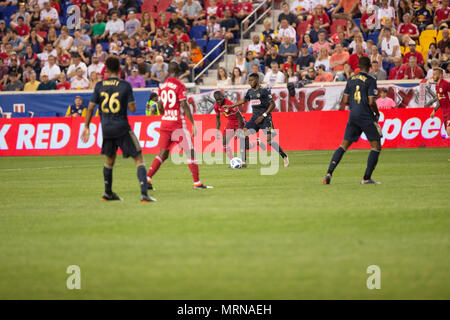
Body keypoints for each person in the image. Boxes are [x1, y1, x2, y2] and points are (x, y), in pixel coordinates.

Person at [81, 56, 155, 203]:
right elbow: (132, 109)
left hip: (106, 128)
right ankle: (144, 194)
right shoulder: (125, 85)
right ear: (119, 69)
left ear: (106, 69)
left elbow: (90, 108)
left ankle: (108, 193)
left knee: (109, 160)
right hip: (121, 127)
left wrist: (86, 126)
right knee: (139, 158)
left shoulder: (99, 85)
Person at [146, 62, 212, 190]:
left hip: (165, 123)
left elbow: (159, 106)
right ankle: (197, 183)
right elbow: (184, 105)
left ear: (168, 71)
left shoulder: (163, 86)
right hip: (177, 125)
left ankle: (147, 179)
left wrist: (167, 115)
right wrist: (193, 123)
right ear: (179, 72)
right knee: (190, 152)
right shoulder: (179, 85)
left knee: (163, 154)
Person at [323, 56, 382, 185]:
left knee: (344, 145)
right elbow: (372, 101)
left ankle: (329, 173)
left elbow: (345, 100)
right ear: (370, 67)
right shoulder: (371, 80)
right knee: (376, 146)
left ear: (358, 67)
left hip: (353, 114)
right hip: (365, 115)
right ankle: (366, 178)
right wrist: (376, 113)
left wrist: (355, 106)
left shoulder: (351, 79)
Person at [227, 73, 290, 168]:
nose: (250, 82)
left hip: (265, 118)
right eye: (249, 80)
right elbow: (243, 100)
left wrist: (264, 115)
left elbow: (272, 104)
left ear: (257, 80)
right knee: (242, 135)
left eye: (252, 80)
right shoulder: (250, 92)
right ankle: (243, 162)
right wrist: (231, 106)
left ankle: (284, 156)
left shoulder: (264, 91)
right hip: (254, 118)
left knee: (269, 141)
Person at [213, 91, 246, 162]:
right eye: (217, 100)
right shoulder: (216, 106)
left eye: (220, 99)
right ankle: (233, 161)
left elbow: (239, 117)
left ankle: (257, 142)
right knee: (224, 142)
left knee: (246, 145)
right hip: (231, 123)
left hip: (239, 123)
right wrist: (217, 130)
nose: (219, 101)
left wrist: (239, 131)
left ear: (223, 97)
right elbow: (218, 118)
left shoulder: (230, 104)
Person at [429, 67, 450, 139]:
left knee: (449, 130)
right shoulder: (437, 86)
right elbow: (439, 99)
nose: (433, 76)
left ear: (440, 75)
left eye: (435, 74)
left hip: (449, 110)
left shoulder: (446, 84)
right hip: (444, 111)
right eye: (433, 74)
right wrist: (434, 110)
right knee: (448, 133)